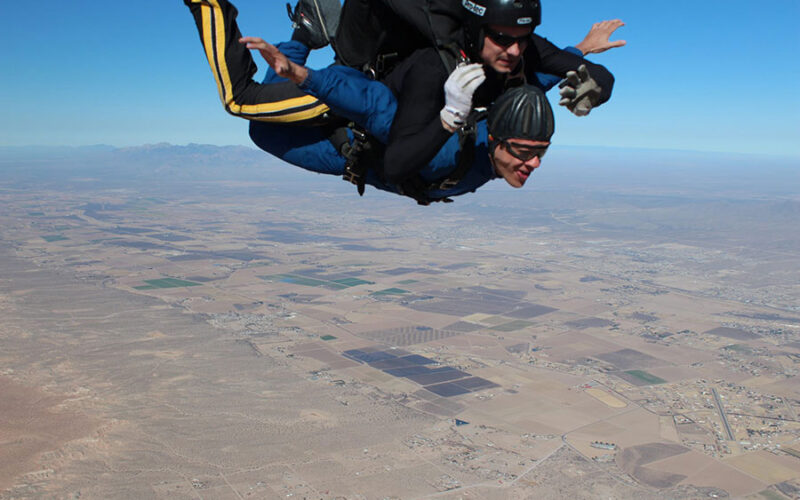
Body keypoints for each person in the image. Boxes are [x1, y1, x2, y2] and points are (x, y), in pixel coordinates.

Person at [330, 0, 619, 186]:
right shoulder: (434, 67)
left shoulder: (517, 45)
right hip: (390, 107)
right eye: (504, 39)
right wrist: (449, 119)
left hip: (465, 111)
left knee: (529, 79)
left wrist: (596, 89)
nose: (515, 50)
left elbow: (593, 72)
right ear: (477, 30)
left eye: (524, 39)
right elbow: (396, 167)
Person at [243, 37, 554, 204]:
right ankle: (303, 37)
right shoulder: (443, 154)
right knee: (260, 128)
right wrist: (302, 76)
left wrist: (578, 53)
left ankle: (300, 53)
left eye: (539, 152)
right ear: (493, 140)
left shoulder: (506, 125)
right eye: (525, 153)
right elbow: (374, 107)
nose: (535, 164)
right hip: (345, 144)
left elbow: (531, 91)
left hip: (366, 126)